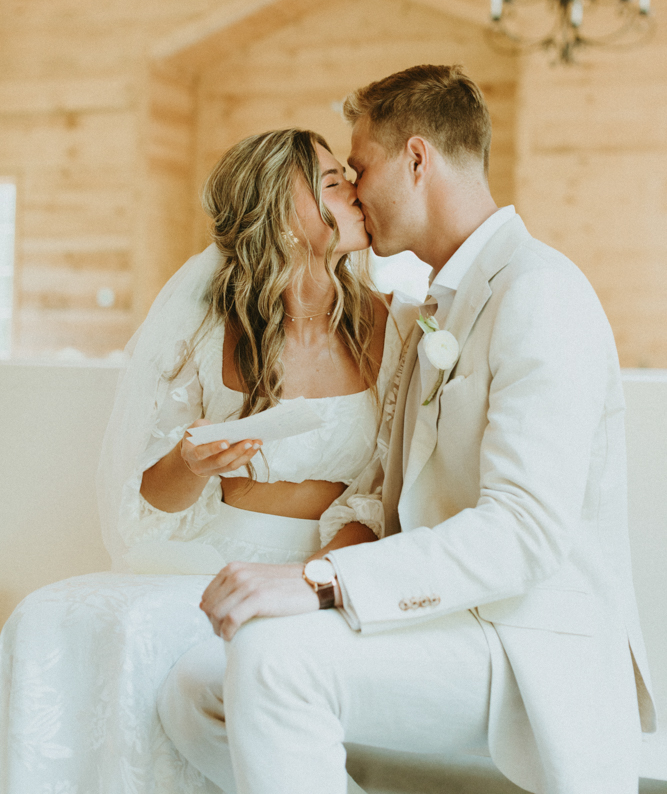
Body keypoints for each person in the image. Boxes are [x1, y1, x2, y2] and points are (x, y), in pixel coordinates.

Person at [160, 65, 656, 794]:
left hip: (524, 642)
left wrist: (321, 582)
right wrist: (302, 575)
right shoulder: (430, 309)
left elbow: (521, 532)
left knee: (275, 660)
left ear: (416, 159)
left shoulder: (539, 292)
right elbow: (381, 494)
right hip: (445, 622)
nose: (352, 190)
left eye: (359, 167)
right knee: (195, 686)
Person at [0, 128, 414, 794]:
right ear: (283, 213)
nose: (356, 191)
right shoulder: (206, 323)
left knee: (200, 653)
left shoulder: (389, 325)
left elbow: (384, 487)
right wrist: (192, 467)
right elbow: (153, 497)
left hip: (325, 560)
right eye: (332, 182)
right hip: (207, 551)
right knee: (50, 617)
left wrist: (314, 582)